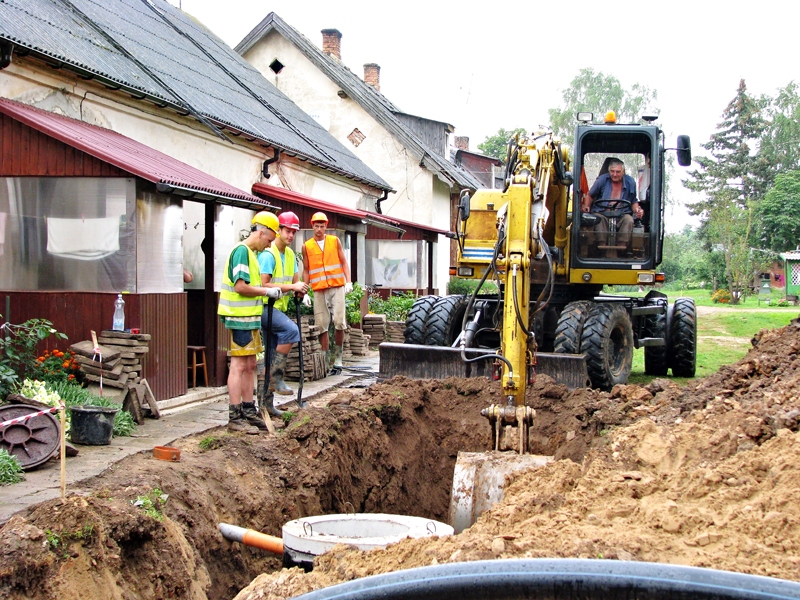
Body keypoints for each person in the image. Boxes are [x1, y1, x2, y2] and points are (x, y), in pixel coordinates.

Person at [217, 211, 282, 434]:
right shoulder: (242, 252)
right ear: (261, 232)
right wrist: (267, 291)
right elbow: (240, 287)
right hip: (240, 318)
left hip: (249, 319)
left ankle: (248, 409)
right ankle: (235, 415)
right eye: (269, 240)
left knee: (250, 365)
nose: (268, 246)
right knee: (239, 365)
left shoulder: (251, 255)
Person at [257, 211, 308, 415]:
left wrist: (300, 291)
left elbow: (295, 282)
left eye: (293, 232)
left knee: (269, 356)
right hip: (264, 307)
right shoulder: (269, 255)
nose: (290, 236)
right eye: (287, 231)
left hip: (277, 308)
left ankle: (265, 405)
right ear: (278, 231)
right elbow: (264, 284)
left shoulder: (290, 256)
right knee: (291, 331)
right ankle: (277, 377)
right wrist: (293, 288)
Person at [302, 212, 353, 375]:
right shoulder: (306, 246)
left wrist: (348, 281)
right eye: (316, 226)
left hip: (337, 286)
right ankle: (325, 359)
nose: (319, 229)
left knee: (339, 322)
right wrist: (304, 290)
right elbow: (306, 269)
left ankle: (338, 359)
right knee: (321, 324)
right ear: (312, 226)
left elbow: (344, 261)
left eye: (322, 226)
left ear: (326, 226)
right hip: (318, 289)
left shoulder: (334, 241)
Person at [580, 158, 644, 257]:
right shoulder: (602, 180)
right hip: (602, 212)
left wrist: (637, 210)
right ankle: (602, 247)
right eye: (612, 171)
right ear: (609, 171)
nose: (614, 174)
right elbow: (590, 195)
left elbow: (633, 201)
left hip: (622, 214)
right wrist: (586, 205)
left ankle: (621, 248)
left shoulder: (630, 182)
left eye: (618, 172)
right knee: (598, 219)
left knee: (629, 220)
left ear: (623, 172)